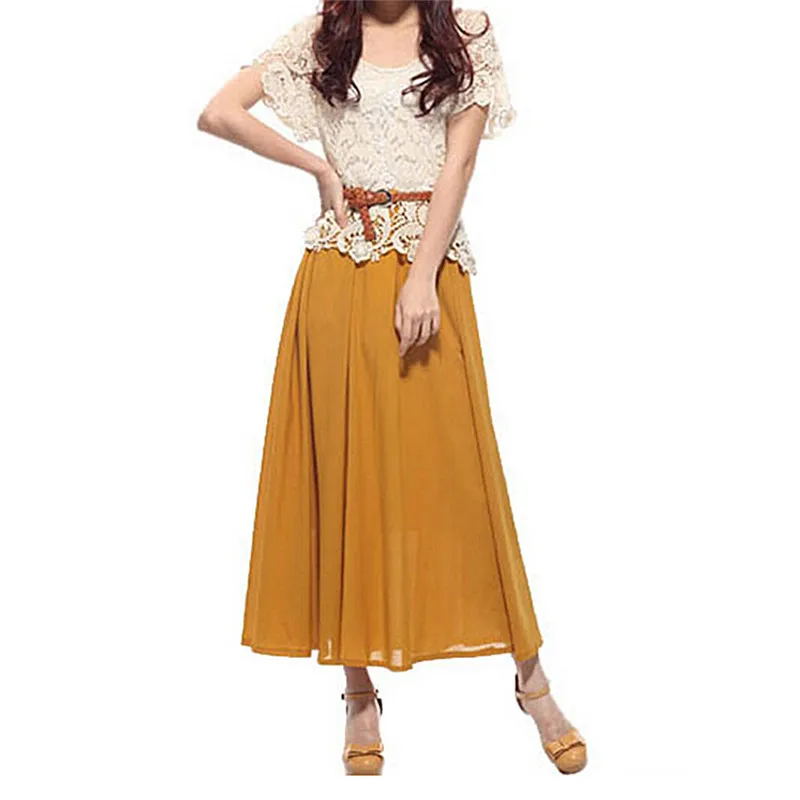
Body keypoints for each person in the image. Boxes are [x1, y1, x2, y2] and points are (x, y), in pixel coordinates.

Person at [198, 0, 586, 776]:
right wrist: (318, 167)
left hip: (428, 275)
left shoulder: (465, 34)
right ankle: (358, 692)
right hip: (338, 275)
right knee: (348, 475)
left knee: (463, 478)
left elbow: (459, 165)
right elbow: (219, 112)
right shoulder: (323, 35)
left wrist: (420, 278)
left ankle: (531, 676)